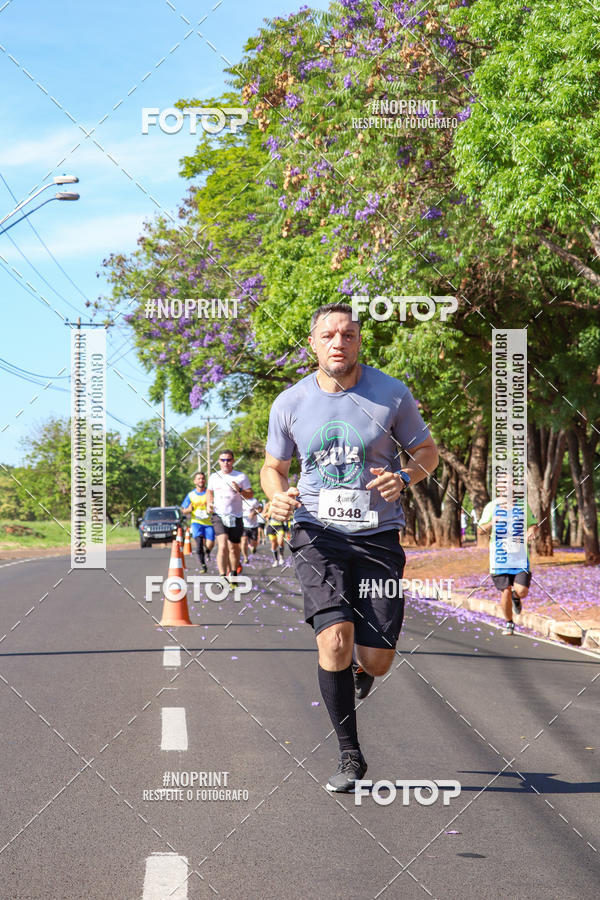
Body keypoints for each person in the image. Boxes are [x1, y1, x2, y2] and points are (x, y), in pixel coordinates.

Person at [261, 302, 438, 792]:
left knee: (377, 660)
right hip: (317, 533)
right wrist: (278, 497)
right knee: (334, 638)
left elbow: (427, 453)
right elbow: (274, 468)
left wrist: (405, 476)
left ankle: (363, 667)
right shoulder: (290, 403)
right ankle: (350, 755)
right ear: (313, 343)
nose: (338, 342)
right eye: (328, 335)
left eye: (348, 334)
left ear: (359, 341)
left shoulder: (391, 394)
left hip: (378, 536)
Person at [479, 498, 538, 635]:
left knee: (522, 591)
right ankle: (509, 622)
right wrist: (492, 522)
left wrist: (531, 531)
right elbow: (480, 530)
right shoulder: (491, 506)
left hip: (520, 557)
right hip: (500, 558)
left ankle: (516, 597)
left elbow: (534, 524)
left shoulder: (523, 505)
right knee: (505, 590)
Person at [206, 450, 253, 579]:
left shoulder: (241, 476)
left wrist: (240, 490)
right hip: (219, 515)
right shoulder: (214, 477)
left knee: (233, 547)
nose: (225, 462)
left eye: (228, 460)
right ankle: (222, 576)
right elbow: (209, 492)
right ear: (219, 461)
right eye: (223, 460)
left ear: (233, 461)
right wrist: (209, 503)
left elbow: (250, 494)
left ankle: (233, 573)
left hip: (235, 516)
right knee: (222, 545)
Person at [181, 471, 214, 573]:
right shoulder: (191, 495)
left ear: (205, 480)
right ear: (195, 481)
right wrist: (188, 509)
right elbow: (183, 510)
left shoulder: (209, 493)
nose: (201, 480)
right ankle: (203, 565)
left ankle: (207, 551)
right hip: (196, 523)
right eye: (199, 479)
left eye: (203, 478)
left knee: (210, 545)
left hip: (209, 523)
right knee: (199, 544)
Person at [263, 500, 287, 567]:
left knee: (280, 541)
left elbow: (286, 514)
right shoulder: (268, 504)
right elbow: (263, 514)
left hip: (280, 526)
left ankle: (281, 556)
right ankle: (276, 560)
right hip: (271, 526)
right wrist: (267, 515)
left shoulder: (280, 503)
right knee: (273, 544)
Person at [241, 497, 261, 563]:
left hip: (253, 526)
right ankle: (245, 557)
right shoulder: (239, 500)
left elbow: (260, 508)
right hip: (243, 525)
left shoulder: (254, 500)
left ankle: (253, 547)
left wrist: (254, 513)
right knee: (243, 541)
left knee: (254, 543)